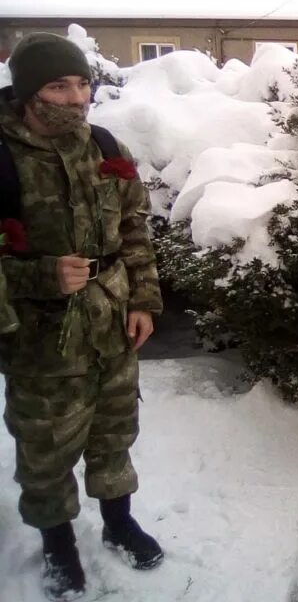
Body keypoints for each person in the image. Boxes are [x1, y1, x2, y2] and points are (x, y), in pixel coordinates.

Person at [0, 33, 165, 600]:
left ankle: (118, 522)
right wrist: (39, 276)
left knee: (114, 429)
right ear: (26, 92)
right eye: (57, 86)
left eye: (81, 85)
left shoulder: (101, 143)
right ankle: (58, 545)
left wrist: (143, 300)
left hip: (112, 321)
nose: (75, 98)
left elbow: (134, 227)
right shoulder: (2, 154)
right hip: (40, 338)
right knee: (45, 446)